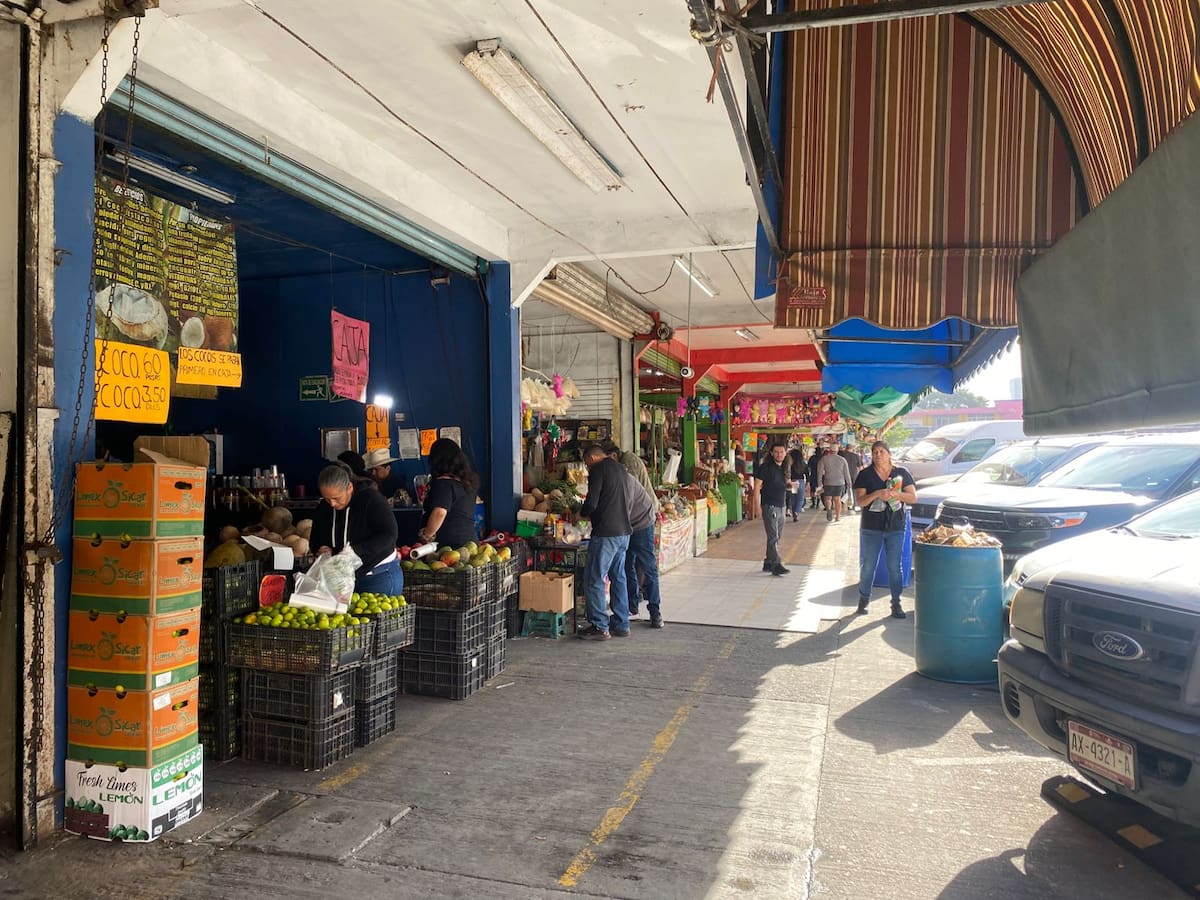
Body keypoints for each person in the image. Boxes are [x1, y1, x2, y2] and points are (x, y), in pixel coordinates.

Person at [312, 462, 402, 595]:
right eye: (327, 499)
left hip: (377, 576)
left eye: (336, 498)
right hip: (341, 579)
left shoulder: (371, 500)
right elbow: (315, 538)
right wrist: (323, 549)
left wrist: (355, 551)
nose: (332, 503)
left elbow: (389, 535)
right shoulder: (324, 508)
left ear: (349, 487)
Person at [853, 440, 918, 619]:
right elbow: (860, 502)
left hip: (896, 526)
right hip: (871, 527)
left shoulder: (901, 473)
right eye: (875, 452)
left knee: (895, 567)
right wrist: (877, 494)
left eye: (882, 451)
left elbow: (913, 497)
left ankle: (896, 603)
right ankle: (863, 600)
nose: (878, 455)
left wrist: (895, 494)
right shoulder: (865, 475)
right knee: (868, 566)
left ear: (889, 454)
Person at [605, 442, 663, 629]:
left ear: (613, 456)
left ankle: (655, 612)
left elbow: (626, 498)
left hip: (642, 520)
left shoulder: (627, 465)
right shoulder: (620, 466)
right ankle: (631, 607)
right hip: (628, 521)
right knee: (626, 564)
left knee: (648, 566)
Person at [578, 445, 632, 640]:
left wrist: (581, 514)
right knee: (618, 577)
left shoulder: (598, 470)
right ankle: (622, 624)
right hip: (624, 531)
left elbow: (591, 502)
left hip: (606, 533)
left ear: (592, 458)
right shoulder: (620, 468)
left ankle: (600, 626)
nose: (587, 468)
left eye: (587, 464)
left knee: (594, 578)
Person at [417, 438, 480, 548]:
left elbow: (440, 512)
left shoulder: (444, 484)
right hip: (470, 543)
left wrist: (427, 535)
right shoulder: (467, 483)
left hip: (449, 547)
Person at [753, 443, 791, 576]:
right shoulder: (765, 467)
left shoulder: (784, 468)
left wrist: (790, 485)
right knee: (773, 536)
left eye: (781, 452)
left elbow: (783, 484)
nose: (779, 454)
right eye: (776, 452)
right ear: (771, 453)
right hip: (770, 505)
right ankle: (776, 564)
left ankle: (768, 562)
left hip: (782, 505)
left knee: (777, 536)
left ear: (785, 453)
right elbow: (757, 487)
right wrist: (757, 506)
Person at [818, 446, 852, 523]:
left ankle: (829, 510)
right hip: (839, 482)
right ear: (837, 451)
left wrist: (819, 482)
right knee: (837, 499)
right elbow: (846, 473)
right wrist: (849, 483)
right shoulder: (842, 459)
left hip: (828, 482)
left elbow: (820, 471)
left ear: (830, 450)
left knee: (827, 498)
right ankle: (837, 516)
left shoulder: (824, 459)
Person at [786, 445, 808, 520]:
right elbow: (807, 474)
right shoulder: (803, 464)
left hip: (793, 482)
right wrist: (808, 483)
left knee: (793, 498)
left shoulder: (790, 464)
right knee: (800, 499)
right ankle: (797, 512)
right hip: (800, 482)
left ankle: (794, 512)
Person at [839, 445, 863, 512]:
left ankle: (843, 504)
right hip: (854, 476)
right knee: (853, 491)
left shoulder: (842, 456)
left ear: (846, 448)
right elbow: (860, 467)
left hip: (843, 476)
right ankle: (853, 505)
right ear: (852, 448)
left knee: (844, 490)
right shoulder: (856, 456)